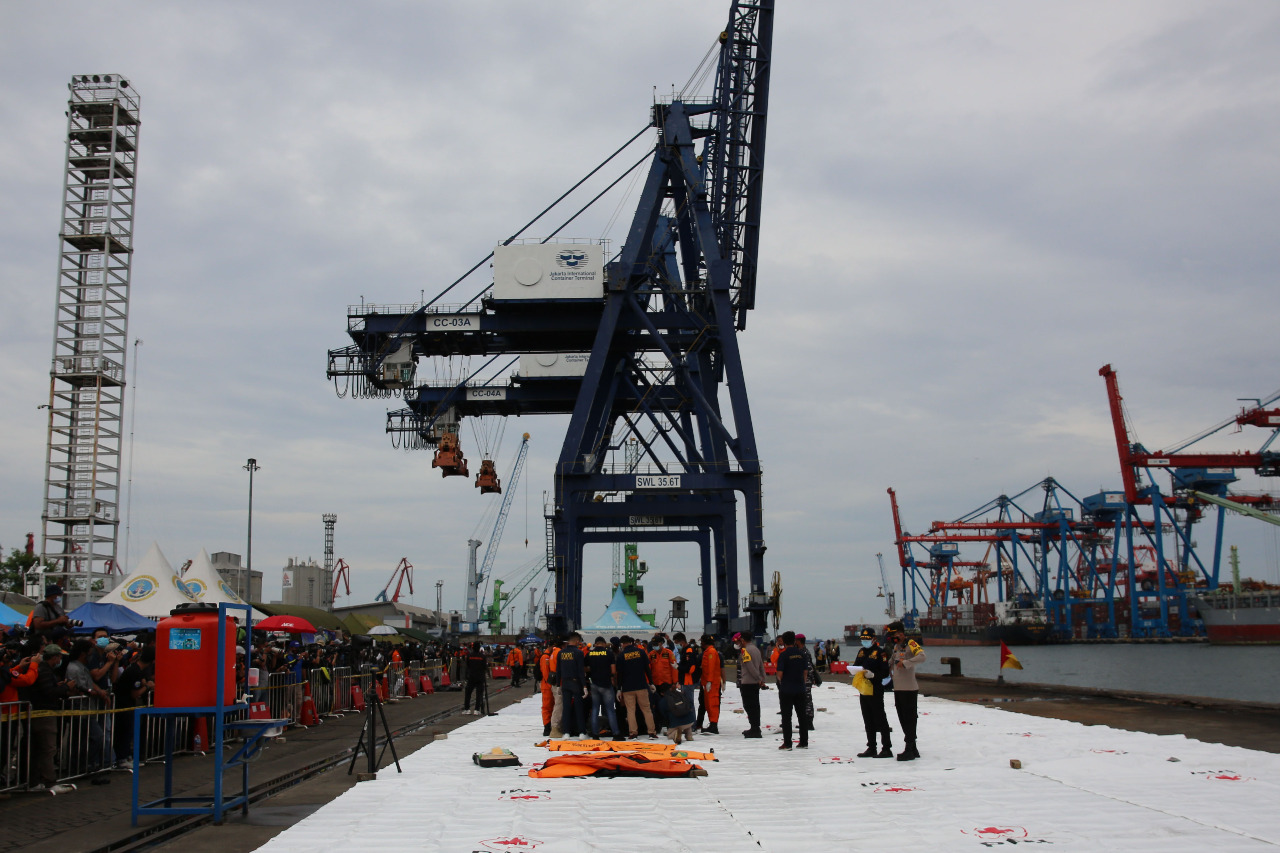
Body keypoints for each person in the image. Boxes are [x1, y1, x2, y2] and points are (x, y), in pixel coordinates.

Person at [30, 644, 76, 791]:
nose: (60, 660)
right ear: (55, 657)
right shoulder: (43, 671)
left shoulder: (46, 670)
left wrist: (59, 686)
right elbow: (48, 692)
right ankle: (49, 781)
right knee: (48, 748)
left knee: (43, 748)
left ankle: (37, 780)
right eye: (59, 657)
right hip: (44, 714)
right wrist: (66, 687)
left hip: (44, 713)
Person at [65, 639, 109, 773]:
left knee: (84, 740)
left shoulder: (82, 667)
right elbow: (81, 687)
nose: (91, 655)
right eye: (90, 652)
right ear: (83, 653)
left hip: (88, 710)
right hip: (80, 710)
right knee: (94, 737)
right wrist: (94, 693)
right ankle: (81, 764)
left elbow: (90, 684)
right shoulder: (74, 668)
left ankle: (83, 765)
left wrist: (99, 691)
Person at [888, 622, 925, 761]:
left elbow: (922, 656)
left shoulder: (911, 644)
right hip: (898, 687)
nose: (894, 638)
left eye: (896, 635)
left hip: (909, 688)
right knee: (902, 718)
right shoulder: (896, 647)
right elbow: (891, 661)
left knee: (910, 718)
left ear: (902, 634)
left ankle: (909, 747)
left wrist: (906, 663)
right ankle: (913, 747)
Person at [854, 626, 893, 758]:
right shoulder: (861, 651)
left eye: (867, 638)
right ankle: (871, 747)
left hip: (875, 689)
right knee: (867, 718)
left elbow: (885, 672)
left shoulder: (881, 653)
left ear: (874, 639)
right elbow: (857, 665)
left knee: (880, 718)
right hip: (864, 689)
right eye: (863, 639)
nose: (864, 641)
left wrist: (874, 675)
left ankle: (886, 748)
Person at [616, 635, 656, 739]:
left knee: (630, 711)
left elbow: (619, 674)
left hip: (627, 688)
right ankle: (651, 732)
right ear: (631, 642)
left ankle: (633, 733)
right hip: (641, 685)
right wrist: (651, 682)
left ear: (622, 644)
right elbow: (647, 668)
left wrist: (619, 688)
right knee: (646, 709)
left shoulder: (621, 655)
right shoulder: (641, 652)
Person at [774, 631, 808, 750]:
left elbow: (779, 674)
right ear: (794, 640)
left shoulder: (783, 655)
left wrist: (781, 681)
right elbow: (805, 672)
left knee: (786, 717)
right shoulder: (802, 654)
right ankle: (804, 742)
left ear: (783, 641)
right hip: (800, 688)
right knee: (802, 716)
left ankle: (788, 743)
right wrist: (802, 683)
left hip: (787, 689)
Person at [584, 636, 620, 739]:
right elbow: (613, 670)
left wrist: (592, 670)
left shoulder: (590, 654)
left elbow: (584, 668)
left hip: (594, 684)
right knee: (610, 710)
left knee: (595, 709)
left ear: (595, 644)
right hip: (606, 684)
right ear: (604, 643)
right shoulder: (609, 653)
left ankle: (595, 734)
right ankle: (616, 734)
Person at [556, 633, 588, 738]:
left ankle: (566, 732)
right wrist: (584, 686)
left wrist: (558, 685)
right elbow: (580, 671)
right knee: (579, 708)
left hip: (565, 683)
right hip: (576, 683)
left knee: (566, 708)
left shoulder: (561, 653)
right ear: (577, 641)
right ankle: (581, 732)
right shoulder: (579, 653)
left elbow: (558, 670)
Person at [733, 632, 765, 738]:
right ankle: (755, 727)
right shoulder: (756, 649)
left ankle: (755, 729)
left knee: (749, 706)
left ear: (742, 640)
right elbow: (761, 665)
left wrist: (758, 678)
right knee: (755, 706)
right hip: (755, 683)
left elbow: (750, 666)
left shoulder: (745, 651)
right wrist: (762, 678)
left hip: (748, 682)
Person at [698, 634, 723, 734]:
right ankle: (712, 723)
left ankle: (714, 725)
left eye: (701, 641)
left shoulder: (711, 652)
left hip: (712, 683)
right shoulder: (708, 651)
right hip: (708, 683)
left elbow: (711, 667)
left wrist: (709, 681)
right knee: (708, 704)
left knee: (713, 704)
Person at [462, 641, 488, 715]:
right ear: (479, 648)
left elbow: (468, 665)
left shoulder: (469, 656)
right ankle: (477, 709)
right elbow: (485, 667)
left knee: (468, 693)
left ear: (473, 648)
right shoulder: (482, 656)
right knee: (479, 694)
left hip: (471, 676)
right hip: (480, 676)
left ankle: (467, 709)